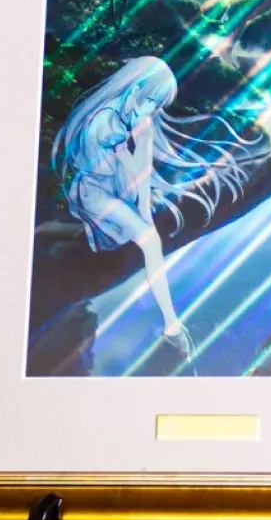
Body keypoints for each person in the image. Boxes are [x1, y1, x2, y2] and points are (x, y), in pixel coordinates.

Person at [52, 56, 256, 361]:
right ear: (135, 89)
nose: (151, 110)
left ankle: (63, 234)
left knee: (139, 237)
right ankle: (171, 324)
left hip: (116, 188)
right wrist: (129, 160)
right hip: (93, 191)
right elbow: (113, 175)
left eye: (157, 105)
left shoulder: (139, 122)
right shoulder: (102, 123)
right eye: (151, 101)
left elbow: (141, 178)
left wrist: (144, 209)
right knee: (145, 241)